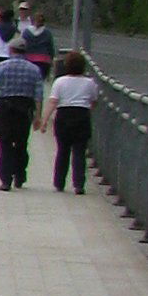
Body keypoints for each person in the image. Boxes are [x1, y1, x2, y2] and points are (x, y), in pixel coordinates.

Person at [0, 40, 45, 188]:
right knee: (21, 144)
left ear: (11, 49)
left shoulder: (1, 67)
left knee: (5, 145)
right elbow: (38, 96)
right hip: (24, 110)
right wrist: (38, 116)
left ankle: (5, 180)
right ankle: (20, 174)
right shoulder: (34, 70)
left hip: (4, 108)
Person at [47, 50, 98, 193]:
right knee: (79, 152)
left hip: (63, 115)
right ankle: (79, 184)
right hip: (81, 115)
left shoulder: (60, 82)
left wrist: (44, 120)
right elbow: (93, 101)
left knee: (62, 151)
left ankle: (59, 182)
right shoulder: (90, 83)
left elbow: (53, 102)